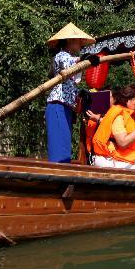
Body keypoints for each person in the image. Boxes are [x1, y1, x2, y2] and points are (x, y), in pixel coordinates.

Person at [45, 22, 96, 163]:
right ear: (70, 40)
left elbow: (73, 65)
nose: (80, 44)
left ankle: (61, 176)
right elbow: (69, 66)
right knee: (59, 146)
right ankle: (58, 177)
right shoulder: (62, 56)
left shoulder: (69, 57)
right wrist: (84, 60)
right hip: (58, 104)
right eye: (79, 41)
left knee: (64, 144)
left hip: (65, 106)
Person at [92, 85, 135, 170]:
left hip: (118, 158)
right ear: (128, 100)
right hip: (108, 159)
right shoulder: (118, 116)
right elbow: (123, 143)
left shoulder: (129, 116)